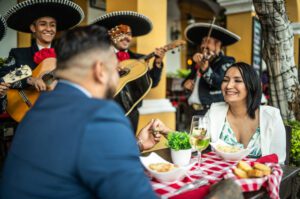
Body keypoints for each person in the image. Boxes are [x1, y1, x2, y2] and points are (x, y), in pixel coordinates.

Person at [0, 25, 167, 199]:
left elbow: (75, 156)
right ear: (100, 70)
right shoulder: (101, 115)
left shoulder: (36, 110)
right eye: (114, 69)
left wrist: (137, 144)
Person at [0, 0, 84, 113]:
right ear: (33, 28)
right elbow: (3, 77)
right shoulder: (18, 53)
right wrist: (31, 80)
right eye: (43, 24)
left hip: (60, 110)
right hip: (27, 110)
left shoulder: (66, 56)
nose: (49, 29)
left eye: (53, 25)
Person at [91, 11, 167, 132]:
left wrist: (157, 63)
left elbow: (153, 82)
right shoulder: (98, 57)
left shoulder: (139, 60)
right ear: (112, 34)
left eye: (130, 34)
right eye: (122, 33)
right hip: (105, 112)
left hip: (131, 114)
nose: (127, 37)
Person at [206, 62, 286, 163]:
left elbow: (279, 161)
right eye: (226, 80)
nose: (229, 86)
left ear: (251, 85)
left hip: (259, 176)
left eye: (238, 80)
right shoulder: (214, 111)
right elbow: (195, 142)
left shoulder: (272, 117)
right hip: (220, 175)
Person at [182, 22, 240, 117]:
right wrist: (186, 85)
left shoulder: (227, 61)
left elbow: (221, 83)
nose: (203, 45)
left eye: (207, 41)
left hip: (212, 112)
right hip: (193, 111)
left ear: (217, 45)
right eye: (202, 41)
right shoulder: (200, 62)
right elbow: (188, 81)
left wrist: (206, 69)